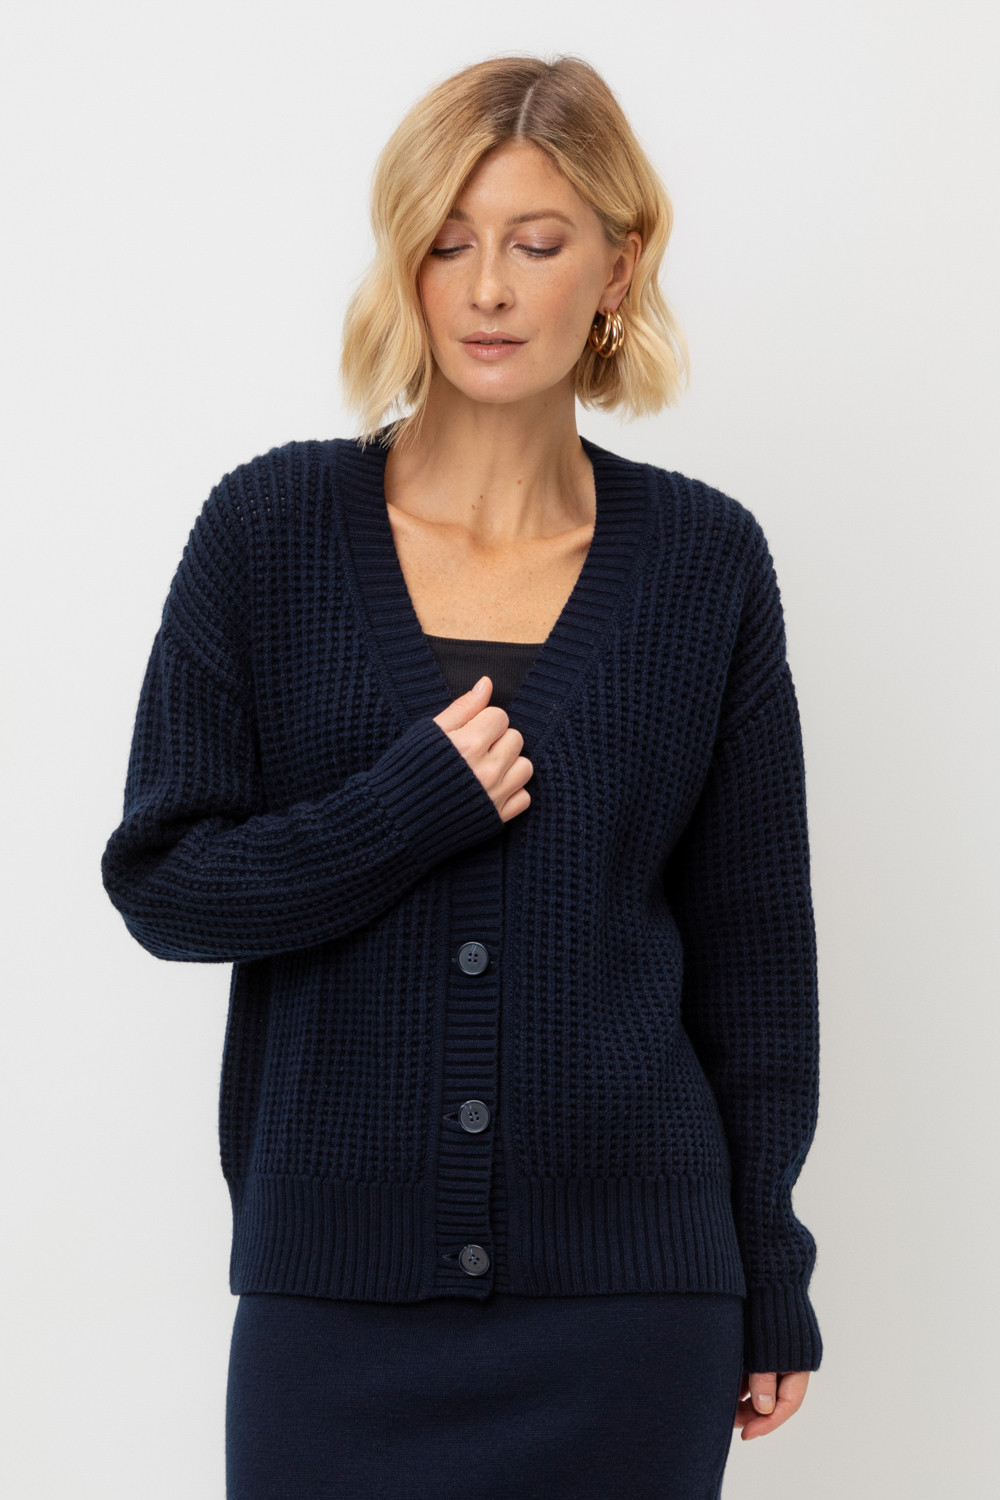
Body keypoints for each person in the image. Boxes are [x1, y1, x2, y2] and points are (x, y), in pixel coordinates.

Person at [101, 53, 823, 1500]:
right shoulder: (269, 532)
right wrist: (403, 811)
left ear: (619, 265)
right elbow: (167, 885)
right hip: (336, 1301)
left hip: (634, 1307)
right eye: (447, 243)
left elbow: (755, 964)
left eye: (537, 243)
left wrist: (771, 1268)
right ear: (405, 265)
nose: (488, 288)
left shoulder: (703, 564)